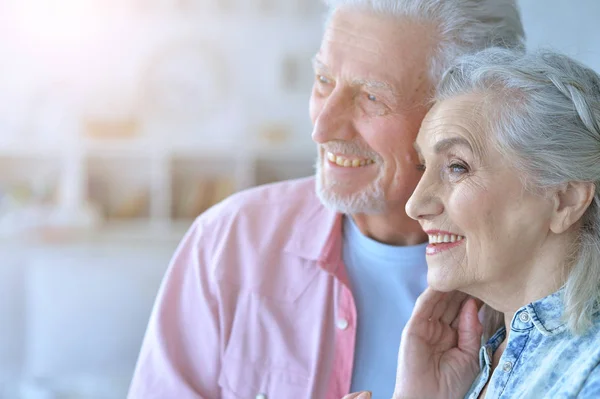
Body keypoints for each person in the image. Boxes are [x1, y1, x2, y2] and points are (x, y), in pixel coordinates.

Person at [128, 2, 524, 398]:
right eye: (323, 79)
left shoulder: (533, 273)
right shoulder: (228, 242)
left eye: (371, 96)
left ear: (467, 114)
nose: (322, 127)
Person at [345, 48, 600, 399]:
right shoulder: (484, 362)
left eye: (457, 167)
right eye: (424, 167)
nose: (415, 205)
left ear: (566, 200)